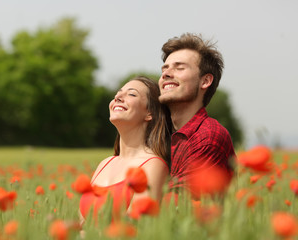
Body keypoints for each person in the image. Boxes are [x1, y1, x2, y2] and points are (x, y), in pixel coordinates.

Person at [79, 76, 171, 221]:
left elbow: (134, 227)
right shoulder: (105, 164)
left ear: (149, 113)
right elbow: (81, 224)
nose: (118, 97)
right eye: (118, 93)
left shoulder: (154, 165)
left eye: (132, 94)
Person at [158, 33, 236, 190]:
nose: (166, 74)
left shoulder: (208, 136)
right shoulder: (160, 132)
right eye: (164, 69)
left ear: (205, 81)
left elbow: (179, 205)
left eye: (179, 68)